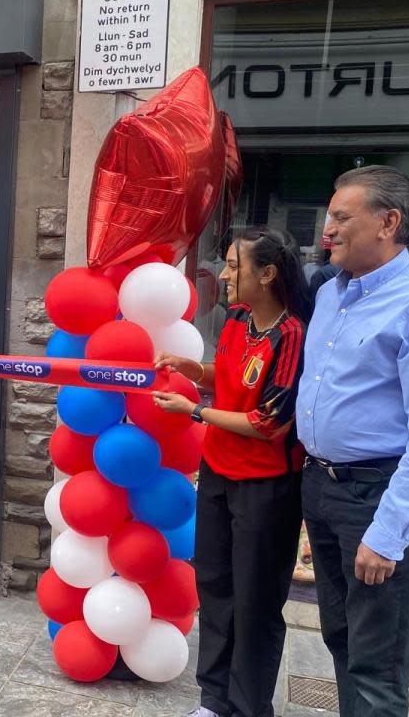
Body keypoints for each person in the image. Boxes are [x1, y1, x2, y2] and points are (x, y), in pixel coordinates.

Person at [298, 166, 409, 716]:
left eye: (342, 217)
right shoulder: (331, 293)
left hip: (375, 496)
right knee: (342, 639)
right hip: (322, 487)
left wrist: (389, 532)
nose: (328, 230)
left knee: (377, 664)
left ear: (388, 222)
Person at [153, 226, 309, 717]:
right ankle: (213, 700)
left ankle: (248, 706)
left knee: (255, 601)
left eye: (233, 266)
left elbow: (269, 423)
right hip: (218, 472)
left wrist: (193, 411)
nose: (223, 275)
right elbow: (228, 374)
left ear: (267, 274)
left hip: (266, 487)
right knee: (216, 588)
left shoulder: (291, 335)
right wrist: (192, 370)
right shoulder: (239, 318)